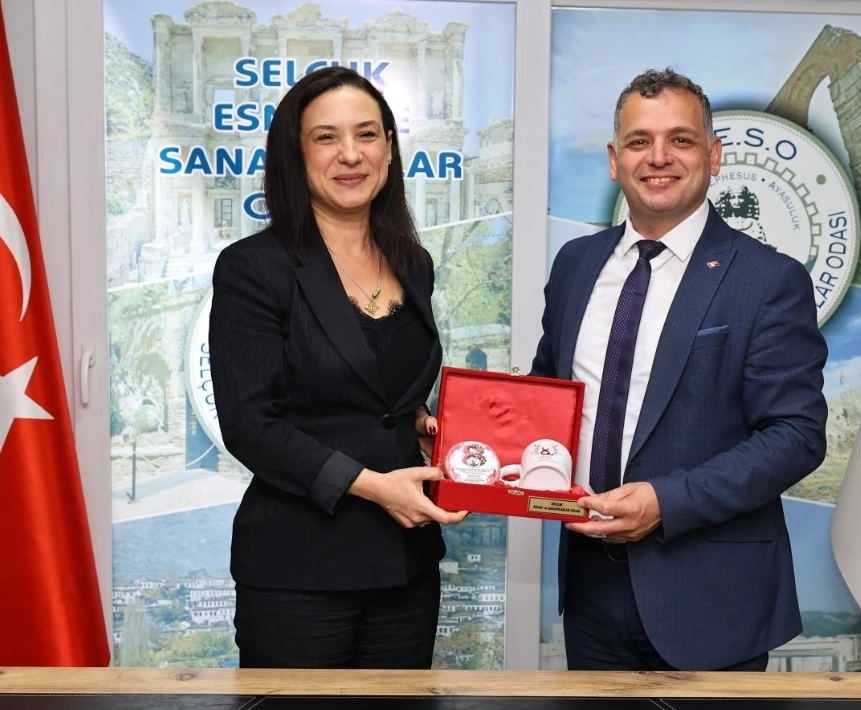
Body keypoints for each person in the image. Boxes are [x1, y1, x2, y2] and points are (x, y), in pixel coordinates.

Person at [530, 68, 828, 672]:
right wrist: (470, 434)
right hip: (589, 590)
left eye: (681, 140)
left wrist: (667, 502)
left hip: (711, 597)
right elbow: (548, 395)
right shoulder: (575, 264)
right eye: (639, 141)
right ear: (614, 159)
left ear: (713, 156)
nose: (658, 157)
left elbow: (795, 435)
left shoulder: (768, 279)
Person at [209, 66, 466, 670]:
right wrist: (375, 486)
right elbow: (250, 425)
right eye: (326, 137)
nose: (351, 154)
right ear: (295, 154)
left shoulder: (414, 262)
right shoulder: (253, 268)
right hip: (299, 568)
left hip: (407, 565)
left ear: (389, 148)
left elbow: (381, 392)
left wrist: (420, 419)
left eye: (367, 134)